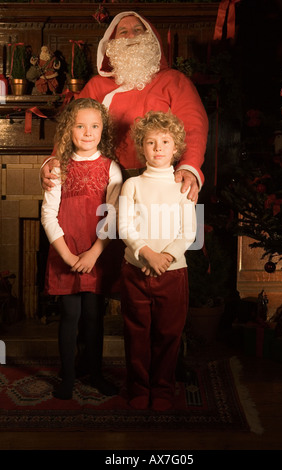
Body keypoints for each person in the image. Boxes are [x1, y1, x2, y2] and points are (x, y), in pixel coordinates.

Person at [40, 11, 208, 203]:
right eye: (123, 32)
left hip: (159, 182)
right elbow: (72, 127)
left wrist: (189, 167)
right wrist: (54, 159)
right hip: (103, 185)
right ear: (111, 42)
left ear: (151, 39)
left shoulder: (174, 81)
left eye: (138, 30)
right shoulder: (96, 86)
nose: (131, 36)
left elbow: (195, 127)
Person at [41, 98, 123, 400]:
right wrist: (68, 256)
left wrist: (92, 254)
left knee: (93, 316)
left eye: (94, 126)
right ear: (68, 129)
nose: (87, 132)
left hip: (96, 253)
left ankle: (96, 373)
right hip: (66, 252)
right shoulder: (57, 168)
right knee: (70, 315)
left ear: (103, 130)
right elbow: (48, 215)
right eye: (79, 125)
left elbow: (113, 216)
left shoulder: (112, 169)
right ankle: (69, 376)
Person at [118, 110, 197, 411]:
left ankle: (162, 389)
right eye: (151, 142)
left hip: (173, 274)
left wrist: (165, 257)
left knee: (168, 333)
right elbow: (124, 226)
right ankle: (138, 387)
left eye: (165, 141)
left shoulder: (183, 186)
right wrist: (146, 253)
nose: (159, 147)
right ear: (142, 147)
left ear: (176, 147)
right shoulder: (132, 185)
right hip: (135, 271)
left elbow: (188, 232)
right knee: (137, 332)